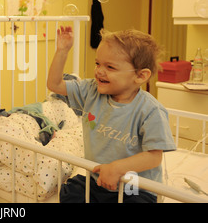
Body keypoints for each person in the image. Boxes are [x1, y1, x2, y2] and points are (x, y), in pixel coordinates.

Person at [47, 26, 176, 203]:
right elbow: (55, 85)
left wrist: (117, 168)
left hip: (135, 186)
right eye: (97, 63)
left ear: (140, 76)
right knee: (71, 192)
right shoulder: (91, 91)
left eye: (110, 67)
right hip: (97, 179)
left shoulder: (150, 110)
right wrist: (62, 51)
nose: (99, 71)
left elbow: (154, 156)